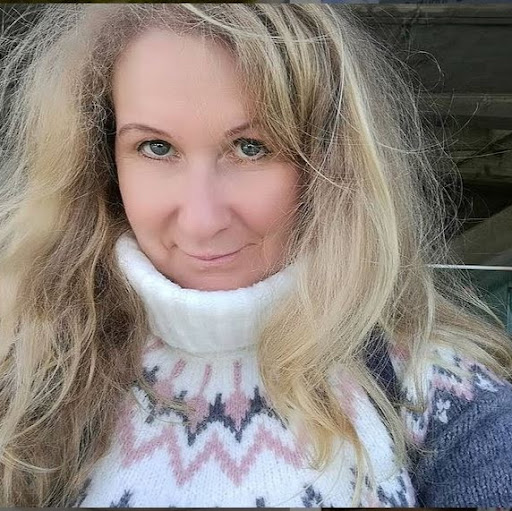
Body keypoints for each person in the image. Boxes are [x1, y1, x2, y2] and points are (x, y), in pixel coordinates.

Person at [0, 4, 511, 508]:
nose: (201, 221)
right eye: (156, 147)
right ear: (102, 162)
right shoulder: (29, 370)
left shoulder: (439, 389)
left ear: (333, 166)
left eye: (251, 147)